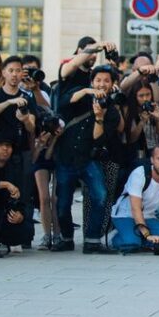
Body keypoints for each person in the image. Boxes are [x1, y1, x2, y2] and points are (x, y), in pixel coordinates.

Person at [54, 63, 124, 254]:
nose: (102, 84)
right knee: (62, 203)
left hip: (88, 159)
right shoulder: (80, 94)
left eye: (106, 81)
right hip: (65, 157)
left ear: (113, 84)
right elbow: (63, 102)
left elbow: (98, 138)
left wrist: (99, 117)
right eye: (98, 80)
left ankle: (92, 240)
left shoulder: (111, 109)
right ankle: (66, 238)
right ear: (92, 81)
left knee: (100, 196)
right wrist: (86, 90)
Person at [0, 56, 38, 251]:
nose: (14, 75)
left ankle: (18, 236)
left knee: (20, 194)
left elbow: (32, 126)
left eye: (18, 71)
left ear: (22, 73)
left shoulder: (27, 98)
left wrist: (25, 118)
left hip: (18, 154)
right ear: (3, 72)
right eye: (10, 70)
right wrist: (10, 103)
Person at [110, 144, 159, 255]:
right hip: (124, 214)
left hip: (149, 216)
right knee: (132, 243)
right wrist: (148, 235)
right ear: (152, 160)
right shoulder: (140, 174)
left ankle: (138, 236)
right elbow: (135, 208)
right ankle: (115, 236)